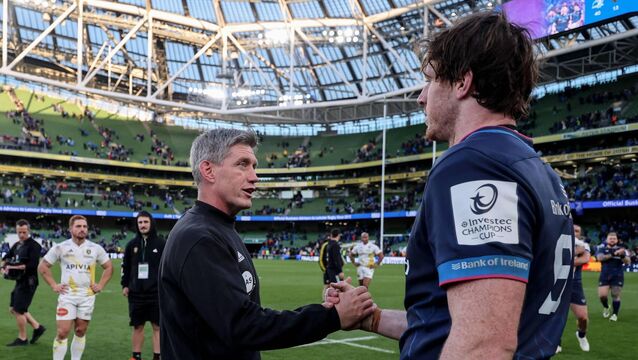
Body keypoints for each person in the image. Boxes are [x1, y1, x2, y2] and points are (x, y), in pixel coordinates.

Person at [328, 11, 574, 359]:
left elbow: (484, 343)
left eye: (429, 80)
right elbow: (453, 323)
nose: (421, 97)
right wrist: (373, 319)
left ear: (462, 82)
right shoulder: (532, 167)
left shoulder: (475, 164)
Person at [158, 129, 375, 360]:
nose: (254, 176)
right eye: (243, 164)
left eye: (254, 166)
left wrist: (325, 309)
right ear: (208, 170)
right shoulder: (199, 238)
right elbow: (243, 325)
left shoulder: (219, 228)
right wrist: (332, 317)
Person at [38, 215, 113, 360]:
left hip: (87, 295)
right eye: (78, 226)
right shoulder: (61, 247)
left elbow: (108, 267)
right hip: (67, 295)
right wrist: (54, 285)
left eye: (84, 226)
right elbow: (43, 266)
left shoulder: (95, 248)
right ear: (70, 229)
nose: (82, 229)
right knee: (62, 332)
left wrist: (101, 285)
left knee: (80, 330)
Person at [121, 211, 165, 360]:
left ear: (151, 223)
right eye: (140, 222)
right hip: (136, 293)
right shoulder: (131, 245)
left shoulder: (161, 243)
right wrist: (125, 285)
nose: (143, 225)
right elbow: (125, 267)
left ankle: (157, 357)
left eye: (145, 222)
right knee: (137, 326)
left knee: (157, 327)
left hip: (156, 292)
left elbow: (166, 268)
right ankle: (136, 356)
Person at [1, 219, 46, 346]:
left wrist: (12, 267)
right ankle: (38, 328)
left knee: (18, 310)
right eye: (19, 232)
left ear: (29, 231)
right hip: (20, 281)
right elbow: (7, 257)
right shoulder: (17, 245)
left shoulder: (34, 246)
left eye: (24, 232)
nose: (21, 235)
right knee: (13, 308)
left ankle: (22, 338)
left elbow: (31, 266)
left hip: (29, 282)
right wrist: (4, 265)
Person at [558, 224, 590, 353]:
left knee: (583, 317)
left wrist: (563, 258)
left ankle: (581, 335)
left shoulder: (584, 245)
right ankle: (556, 342)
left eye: (577, 230)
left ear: (580, 233)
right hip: (557, 281)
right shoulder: (558, 239)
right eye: (571, 229)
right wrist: (575, 252)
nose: (574, 232)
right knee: (556, 315)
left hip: (574, 283)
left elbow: (585, 258)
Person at [596, 232, 631, 321]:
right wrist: (614, 254)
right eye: (610, 238)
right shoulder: (601, 249)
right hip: (605, 275)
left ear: (617, 240)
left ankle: (615, 314)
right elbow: (600, 258)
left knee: (615, 295)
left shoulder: (622, 250)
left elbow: (628, 261)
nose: (612, 240)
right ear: (607, 240)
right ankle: (606, 306)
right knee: (602, 296)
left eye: (614, 238)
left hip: (617, 275)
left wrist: (622, 255)